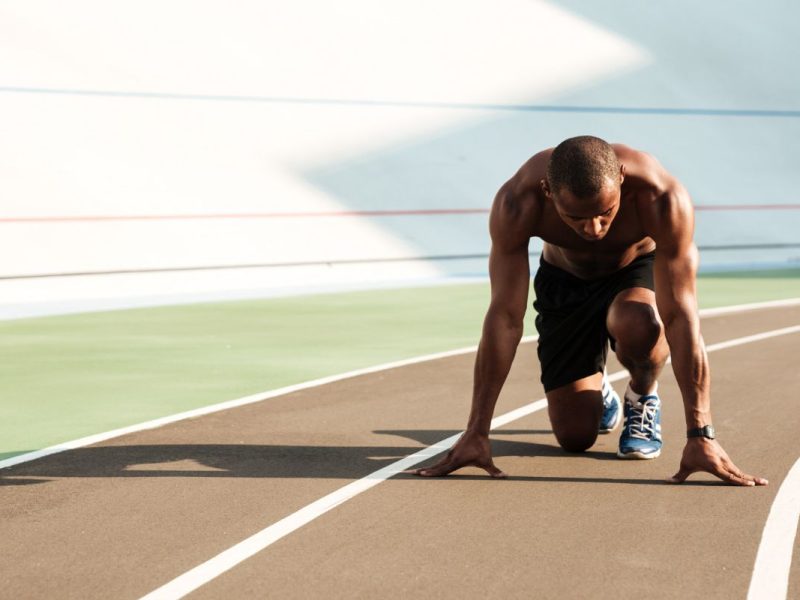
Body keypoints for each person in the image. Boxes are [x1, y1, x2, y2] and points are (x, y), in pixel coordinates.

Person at [413, 136, 767, 486]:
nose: (594, 228)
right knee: (575, 437)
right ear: (548, 191)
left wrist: (700, 433)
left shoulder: (660, 197)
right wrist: (477, 431)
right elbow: (504, 318)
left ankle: (642, 393)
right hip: (565, 281)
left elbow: (680, 316)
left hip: (635, 271)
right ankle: (597, 392)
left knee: (640, 322)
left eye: (606, 212)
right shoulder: (518, 201)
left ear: (623, 179)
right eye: (576, 218)